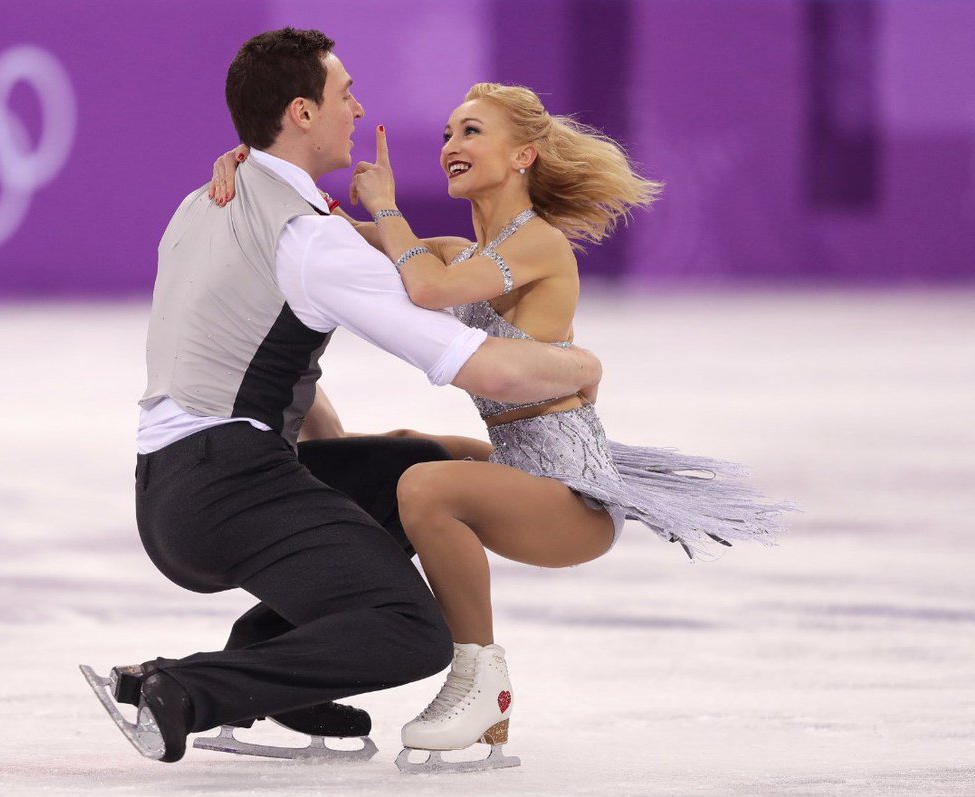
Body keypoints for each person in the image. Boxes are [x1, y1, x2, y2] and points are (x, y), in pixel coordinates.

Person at [214, 83, 792, 773]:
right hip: (519, 466)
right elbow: (326, 238)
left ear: (524, 155)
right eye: (450, 133)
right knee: (401, 456)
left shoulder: (538, 244)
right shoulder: (462, 250)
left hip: (569, 494)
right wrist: (259, 171)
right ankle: (312, 641)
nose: (452, 146)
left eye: (473, 132)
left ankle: (479, 681)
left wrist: (387, 203)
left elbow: (424, 288)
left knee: (426, 487)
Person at [79, 29, 605, 767]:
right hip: (224, 485)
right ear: (300, 112)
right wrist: (581, 365)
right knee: (410, 629)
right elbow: (481, 368)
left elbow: (274, 362)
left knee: (410, 467)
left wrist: (338, 494)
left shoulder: (207, 200)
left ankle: (281, 675)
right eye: (344, 93)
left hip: (178, 482)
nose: (358, 108)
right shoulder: (310, 241)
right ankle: (185, 690)